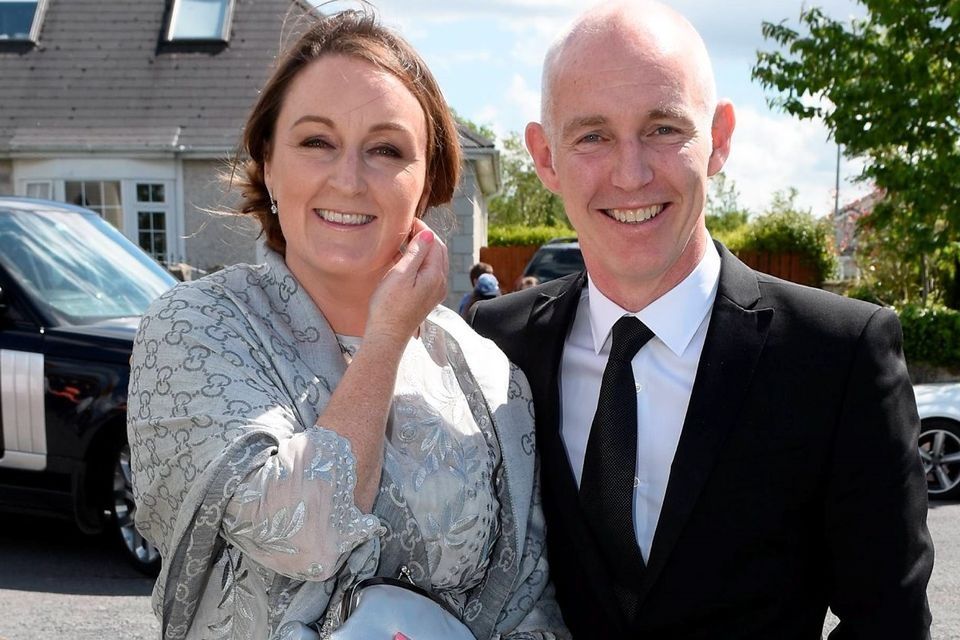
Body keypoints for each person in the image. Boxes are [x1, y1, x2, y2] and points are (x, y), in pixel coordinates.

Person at [469, 2, 934, 638]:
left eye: (663, 128)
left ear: (719, 138)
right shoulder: (494, 345)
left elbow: (888, 624)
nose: (631, 174)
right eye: (593, 136)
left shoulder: (837, 354)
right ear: (546, 157)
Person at [127, 10, 566, 640]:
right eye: (316, 142)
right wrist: (385, 341)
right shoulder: (194, 329)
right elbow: (302, 532)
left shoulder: (486, 371)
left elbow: (531, 597)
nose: (350, 179)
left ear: (426, 185)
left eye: (386, 150)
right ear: (268, 164)